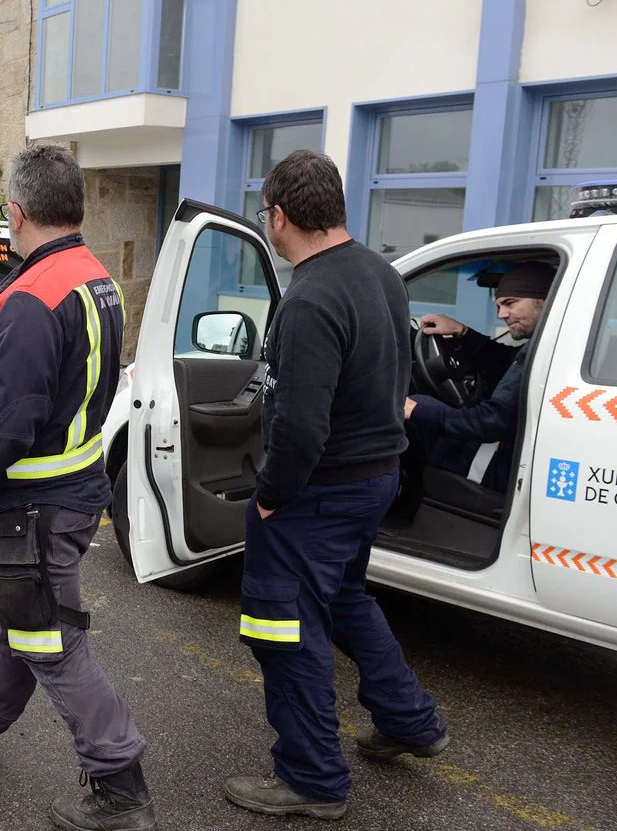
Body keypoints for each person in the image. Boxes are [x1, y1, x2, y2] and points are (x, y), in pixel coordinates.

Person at [0, 145, 154, 831]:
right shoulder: (93, 276)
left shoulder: (29, 297)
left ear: (16, 213)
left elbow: (4, 423)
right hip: (70, 489)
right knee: (22, 624)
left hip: (28, 504)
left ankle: (121, 787)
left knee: (48, 635)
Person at [225, 149, 448, 821]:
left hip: (316, 493)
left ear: (281, 216)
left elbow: (299, 428)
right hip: (376, 477)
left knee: (281, 627)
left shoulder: (311, 297)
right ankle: (411, 723)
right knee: (347, 599)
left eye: (266, 214)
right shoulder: (381, 274)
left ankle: (313, 779)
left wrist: (270, 495)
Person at [404, 261, 554, 493]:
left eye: (510, 303)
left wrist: (414, 408)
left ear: (544, 300)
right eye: (498, 306)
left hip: (501, 461)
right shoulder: (543, 344)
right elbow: (507, 361)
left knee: (416, 422)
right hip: (515, 451)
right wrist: (462, 332)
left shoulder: (549, 349)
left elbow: (492, 422)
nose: (502, 314)